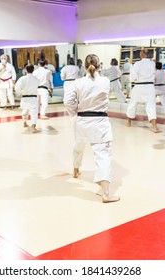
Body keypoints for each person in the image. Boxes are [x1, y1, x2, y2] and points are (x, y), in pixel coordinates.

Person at [63, 54, 120, 203]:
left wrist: (75, 113)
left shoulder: (78, 82)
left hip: (82, 120)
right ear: (99, 65)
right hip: (99, 121)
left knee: (78, 145)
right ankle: (106, 193)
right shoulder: (105, 81)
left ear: (84, 67)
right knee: (103, 155)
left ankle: (75, 169)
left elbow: (67, 101)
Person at [126, 49, 161, 133]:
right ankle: (154, 127)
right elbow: (154, 74)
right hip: (149, 86)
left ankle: (129, 123)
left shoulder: (137, 64)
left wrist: (133, 79)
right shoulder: (153, 64)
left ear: (140, 55)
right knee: (151, 106)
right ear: (147, 55)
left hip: (139, 86)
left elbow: (133, 76)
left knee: (133, 104)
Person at [15, 64, 40, 133]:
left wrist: (20, 93)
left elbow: (17, 88)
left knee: (25, 111)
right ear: (33, 70)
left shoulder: (22, 78)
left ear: (25, 70)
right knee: (34, 112)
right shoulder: (36, 79)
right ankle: (33, 127)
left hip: (25, 97)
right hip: (33, 98)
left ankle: (24, 122)